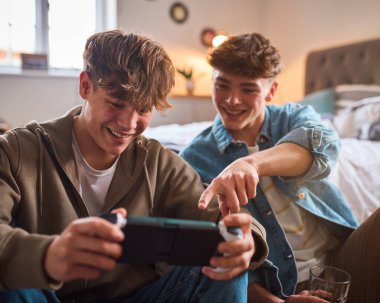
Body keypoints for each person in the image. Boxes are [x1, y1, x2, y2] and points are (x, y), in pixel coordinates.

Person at [0, 30, 268, 303]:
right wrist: (48, 256)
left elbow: (218, 218)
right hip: (44, 296)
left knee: (225, 261)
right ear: (85, 86)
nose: (129, 125)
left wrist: (246, 240)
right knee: (10, 281)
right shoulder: (17, 150)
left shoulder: (160, 164)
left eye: (143, 110)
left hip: (136, 298)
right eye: (116, 104)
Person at [180, 33, 380, 303]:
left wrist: (250, 163)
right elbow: (223, 258)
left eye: (248, 89)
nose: (232, 100)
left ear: (270, 91)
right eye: (222, 85)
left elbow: (326, 147)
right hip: (279, 283)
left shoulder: (293, 117)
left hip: (340, 256)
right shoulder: (195, 157)